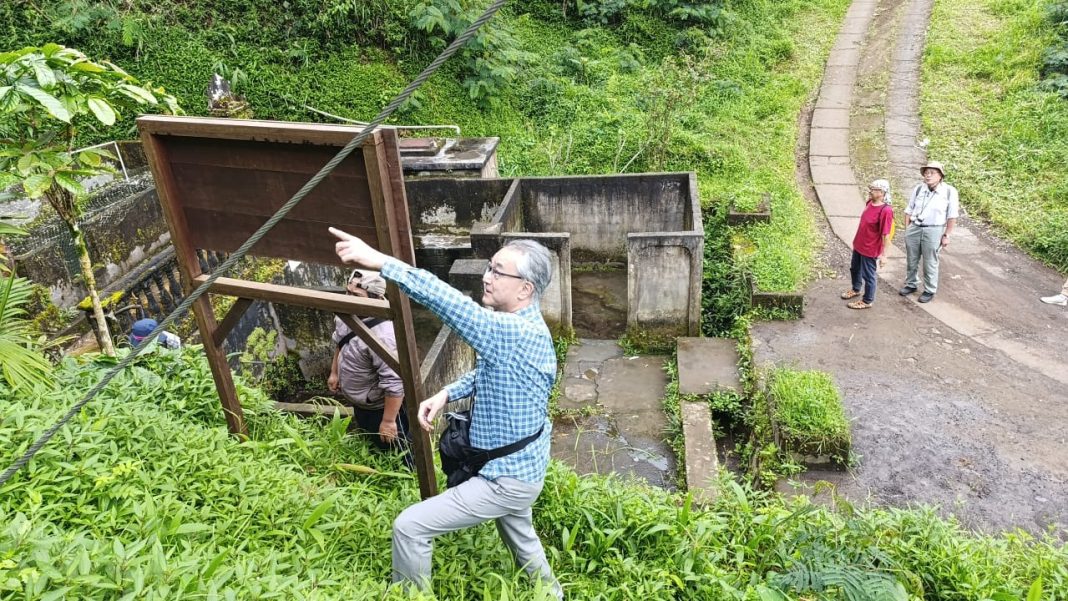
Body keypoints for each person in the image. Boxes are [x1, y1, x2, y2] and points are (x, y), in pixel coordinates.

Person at [330, 227, 563, 600]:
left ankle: (411, 596)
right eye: (489, 267)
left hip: (505, 478)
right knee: (520, 534)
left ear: (525, 289)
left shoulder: (512, 333)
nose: (487, 277)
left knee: (410, 526)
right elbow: (491, 370)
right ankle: (551, 594)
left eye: (499, 272)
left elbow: (448, 303)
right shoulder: (525, 330)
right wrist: (446, 393)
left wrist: (383, 263)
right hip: (520, 467)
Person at [328, 269, 413, 466]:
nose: (349, 299)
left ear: (376, 298)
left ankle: (406, 480)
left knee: (399, 451)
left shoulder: (384, 335)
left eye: (356, 295)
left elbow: (394, 382)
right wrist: (334, 373)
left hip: (381, 407)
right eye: (348, 292)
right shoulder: (346, 315)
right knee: (373, 443)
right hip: (361, 402)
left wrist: (389, 421)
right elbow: (340, 343)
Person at [900, 161, 959, 303]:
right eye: (926, 173)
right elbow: (909, 209)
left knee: (930, 260)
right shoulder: (919, 189)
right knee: (911, 258)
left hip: (934, 229)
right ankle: (911, 284)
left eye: (932, 173)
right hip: (915, 227)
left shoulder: (949, 191)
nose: (928, 176)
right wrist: (908, 228)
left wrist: (947, 235)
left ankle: (929, 289)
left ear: (940, 176)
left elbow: (952, 215)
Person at [842, 179, 894, 309]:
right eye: (871, 188)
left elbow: (886, 235)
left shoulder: (886, 211)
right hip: (859, 244)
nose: (870, 191)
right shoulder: (870, 202)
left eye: (874, 189)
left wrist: (884, 255)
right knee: (854, 268)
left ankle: (867, 300)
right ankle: (856, 289)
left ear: (882, 192)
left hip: (870, 248)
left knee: (869, 275)